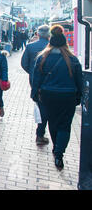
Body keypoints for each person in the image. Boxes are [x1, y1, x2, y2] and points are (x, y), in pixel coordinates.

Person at [31, 25, 83, 170]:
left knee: (53, 123)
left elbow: (37, 78)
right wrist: (79, 96)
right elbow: (79, 80)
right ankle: (59, 153)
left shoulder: (42, 57)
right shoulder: (72, 59)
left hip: (48, 96)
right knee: (64, 125)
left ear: (50, 41)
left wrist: (35, 94)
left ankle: (56, 149)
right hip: (68, 96)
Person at [21, 25, 50, 145]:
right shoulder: (52, 47)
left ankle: (40, 132)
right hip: (50, 80)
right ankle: (42, 133)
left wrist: (32, 73)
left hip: (35, 81)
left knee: (40, 106)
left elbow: (24, 63)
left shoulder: (30, 47)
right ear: (49, 35)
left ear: (37, 34)